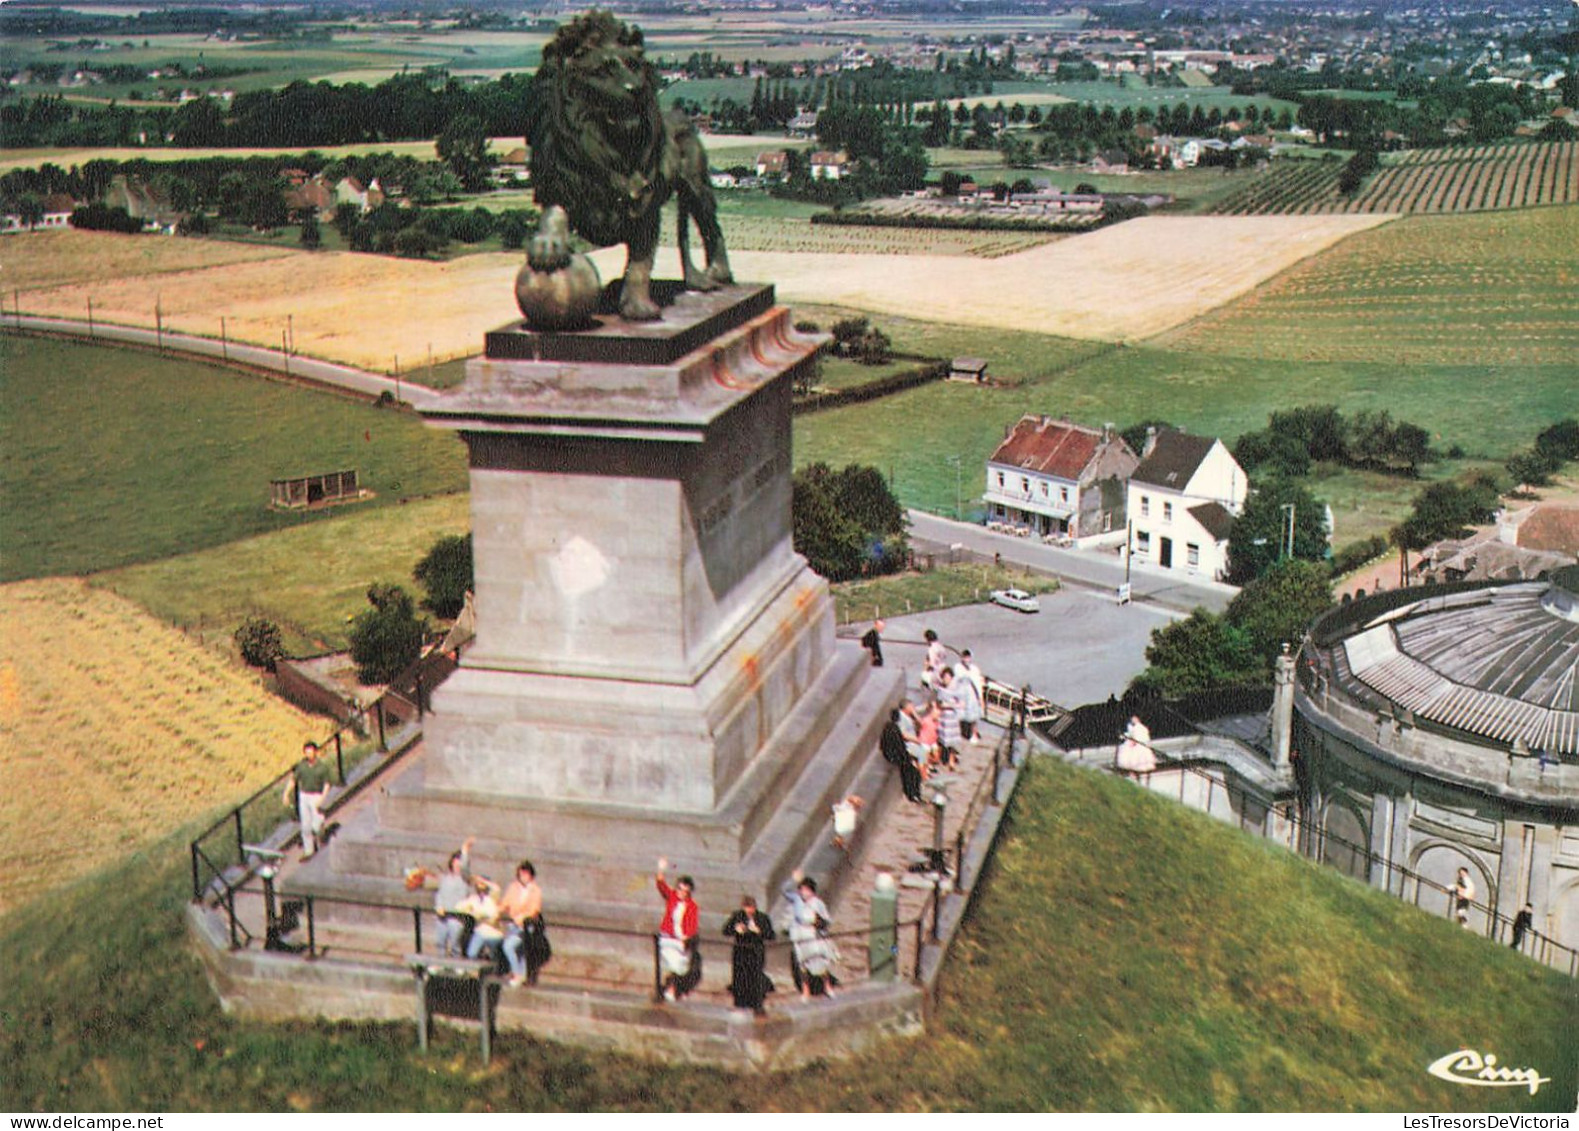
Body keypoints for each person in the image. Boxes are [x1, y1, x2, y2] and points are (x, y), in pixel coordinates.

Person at [781, 870, 837, 1000]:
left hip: (813, 936)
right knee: (803, 965)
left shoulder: (818, 903)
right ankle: (806, 990)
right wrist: (793, 879)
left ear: (812, 891)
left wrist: (818, 922)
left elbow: (826, 920)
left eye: (807, 890)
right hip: (800, 936)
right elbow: (784, 891)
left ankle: (827, 986)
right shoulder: (796, 900)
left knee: (820, 962)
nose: (804, 892)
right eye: (802, 889)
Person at [655, 858, 700, 1002]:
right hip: (668, 937)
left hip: (681, 940)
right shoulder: (672, 896)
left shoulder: (692, 907)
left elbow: (692, 925)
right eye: (679, 889)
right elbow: (661, 885)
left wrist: (687, 937)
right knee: (674, 963)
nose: (681, 892)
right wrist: (661, 868)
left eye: (684, 891)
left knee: (681, 966)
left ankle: (674, 986)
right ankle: (671, 988)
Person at [500, 859, 551, 987]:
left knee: (509, 946)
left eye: (526, 874)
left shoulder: (535, 890)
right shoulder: (513, 887)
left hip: (526, 927)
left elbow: (535, 910)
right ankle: (522, 975)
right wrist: (496, 909)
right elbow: (505, 902)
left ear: (531, 875)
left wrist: (523, 917)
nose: (523, 877)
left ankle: (517, 974)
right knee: (519, 951)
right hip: (513, 925)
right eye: (521, 874)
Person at [723, 894, 776, 1015]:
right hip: (741, 952)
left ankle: (756, 1003)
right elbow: (725, 930)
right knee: (740, 977)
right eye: (746, 908)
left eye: (751, 908)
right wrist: (735, 929)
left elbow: (771, 935)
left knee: (755, 977)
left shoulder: (762, 918)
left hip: (756, 952)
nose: (749, 911)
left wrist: (759, 931)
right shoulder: (737, 916)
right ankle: (739, 1003)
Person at [282, 741, 335, 858]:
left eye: (310, 752)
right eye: (306, 752)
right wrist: (286, 793)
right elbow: (293, 780)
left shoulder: (322, 767)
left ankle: (320, 835)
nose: (309, 754)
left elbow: (327, 783)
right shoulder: (302, 766)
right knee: (305, 826)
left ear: (315, 752)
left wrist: (322, 798)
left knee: (316, 825)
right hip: (304, 796)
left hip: (316, 795)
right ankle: (309, 850)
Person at [433, 836, 476, 957]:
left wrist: (465, 850)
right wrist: (438, 906)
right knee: (440, 942)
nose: (457, 865)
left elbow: (465, 868)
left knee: (454, 944)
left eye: (459, 863)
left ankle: (455, 966)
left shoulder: (464, 878)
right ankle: (440, 964)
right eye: (455, 862)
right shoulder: (445, 879)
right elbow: (439, 894)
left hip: (457, 917)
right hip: (443, 915)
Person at [459, 876, 507, 967]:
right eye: (478, 886)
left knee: (495, 956)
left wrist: (482, 880)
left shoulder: (492, 898)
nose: (480, 889)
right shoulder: (473, 899)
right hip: (480, 932)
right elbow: (460, 906)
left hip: (493, 933)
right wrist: (467, 910)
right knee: (471, 954)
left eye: (483, 886)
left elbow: (496, 889)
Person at [935, 668, 967, 771]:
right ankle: (942, 758)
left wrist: (949, 705)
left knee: (952, 742)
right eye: (944, 677)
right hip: (943, 718)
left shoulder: (956, 690)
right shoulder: (940, 689)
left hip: (952, 718)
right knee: (943, 740)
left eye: (948, 677)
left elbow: (962, 704)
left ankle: (951, 761)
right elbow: (939, 703)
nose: (946, 680)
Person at [895, 702, 926, 803]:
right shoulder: (901, 718)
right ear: (906, 707)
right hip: (907, 746)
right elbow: (903, 734)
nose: (913, 708)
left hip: (914, 745)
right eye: (911, 707)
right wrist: (916, 740)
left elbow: (921, 723)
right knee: (914, 771)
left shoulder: (909, 716)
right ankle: (921, 777)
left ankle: (918, 788)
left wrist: (915, 715)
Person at [956, 649, 986, 743]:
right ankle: (959, 733)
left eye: (968, 657)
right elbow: (958, 678)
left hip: (972, 693)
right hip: (961, 692)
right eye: (964, 657)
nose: (966, 659)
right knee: (959, 713)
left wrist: (980, 697)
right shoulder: (958, 667)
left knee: (973, 715)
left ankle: (974, 734)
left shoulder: (974, 669)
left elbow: (977, 683)